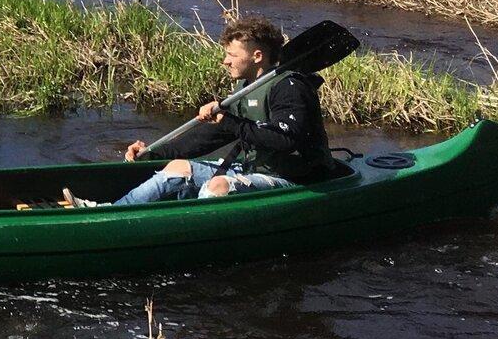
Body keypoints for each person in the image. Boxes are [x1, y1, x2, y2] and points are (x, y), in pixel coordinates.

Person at [68, 16, 338, 207]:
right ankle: (112, 212)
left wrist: (232, 123)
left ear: (257, 56)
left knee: (216, 187)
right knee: (177, 167)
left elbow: (286, 139)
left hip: (295, 178)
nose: (225, 60)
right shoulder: (246, 86)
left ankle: (192, 237)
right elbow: (210, 137)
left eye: (232, 55)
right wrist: (152, 153)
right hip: (253, 167)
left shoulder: (290, 87)